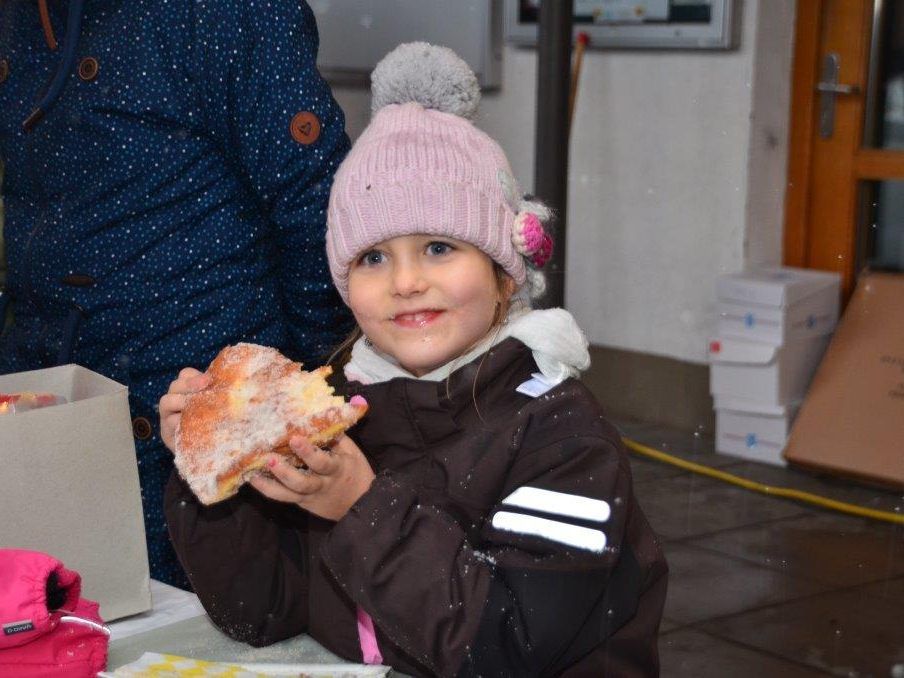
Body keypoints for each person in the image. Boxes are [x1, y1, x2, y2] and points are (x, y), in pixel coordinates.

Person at [160, 43, 668, 676]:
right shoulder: (341, 409)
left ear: (503, 272)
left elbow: (510, 648)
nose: (404, 282)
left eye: (437, 247)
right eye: (372, 257)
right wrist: (209, 469)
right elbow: (259, 613)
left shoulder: (561, 441)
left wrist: (358, 506)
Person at [0, 0, 352, 588]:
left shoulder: (228, 12)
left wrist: (298, 388)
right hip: (50, 415)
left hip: (210, 432)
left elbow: (318, 209)